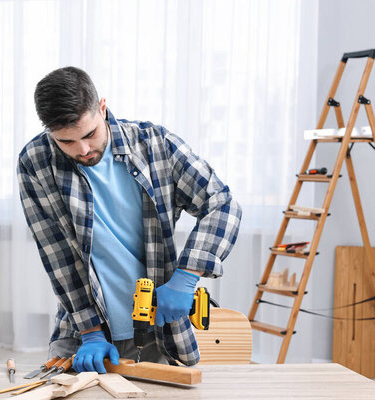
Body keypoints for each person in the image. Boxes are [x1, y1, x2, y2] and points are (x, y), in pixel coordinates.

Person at [17, 66, 241, 374]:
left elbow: (221, 202)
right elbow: (59, 257)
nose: (82, 150)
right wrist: (91, 333)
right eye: (66, 142)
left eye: (89, 134)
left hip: (160, 330)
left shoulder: (156, 146)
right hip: (85, 334)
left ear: (103, 108)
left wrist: (186, 278)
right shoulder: (35, 162)